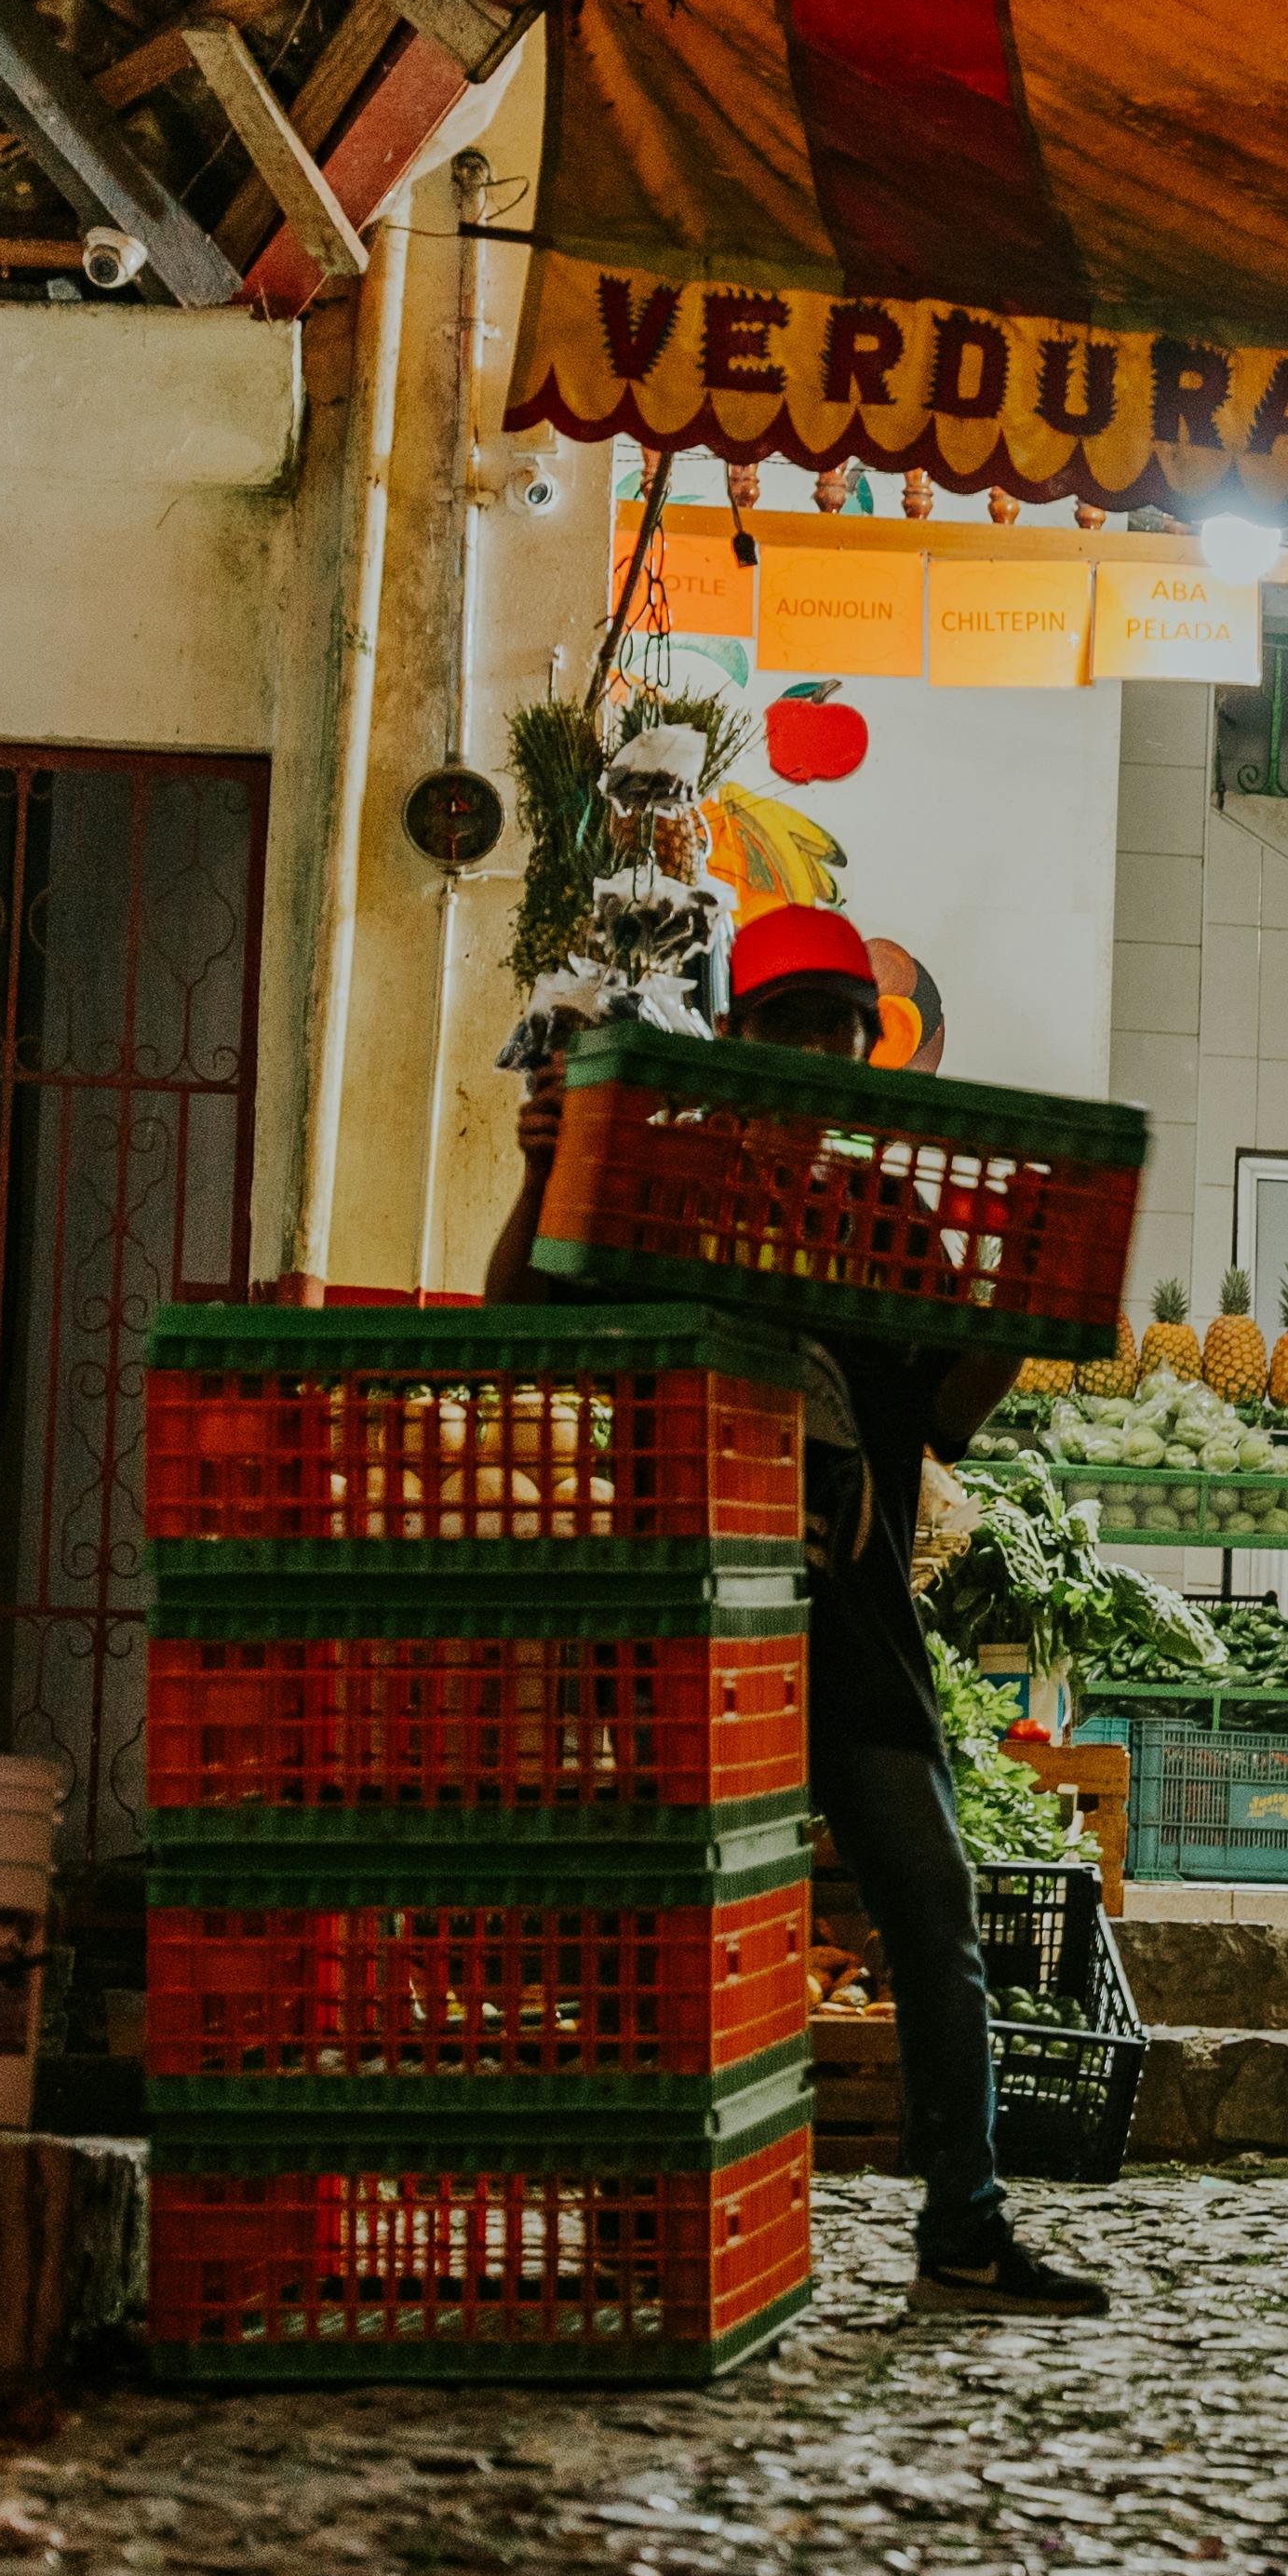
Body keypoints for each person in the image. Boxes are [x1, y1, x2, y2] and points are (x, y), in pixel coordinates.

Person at [484, 906, 1110, 2317]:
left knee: (936, 1918)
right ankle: (636, 2224)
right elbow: (515, 1320)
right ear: (739, 1039)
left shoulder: (885, 1211)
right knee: (661, 1931)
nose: (822, 1048)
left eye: (842, 1025)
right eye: (792, 1025)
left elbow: (941, 1417)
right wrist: (541, 1184)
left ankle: (964, 2227)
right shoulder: (658, 1183)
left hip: (852, 1631)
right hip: (687, 1629)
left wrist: (1023, 1304)